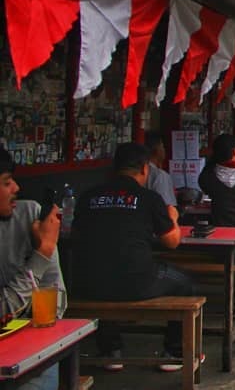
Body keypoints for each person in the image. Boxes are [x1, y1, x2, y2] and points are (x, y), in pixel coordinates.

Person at [71, 143, 194, 373]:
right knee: (185, 282)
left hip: (89, 282)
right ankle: (174, 352)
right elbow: (172, 242)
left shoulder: (89, 196)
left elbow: (76, 234)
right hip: (137, 281)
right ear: (145, 169)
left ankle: (110, 350)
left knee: (105, 272)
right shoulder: (149, 198)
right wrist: (173, 217)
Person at [0, 147, 65, 390]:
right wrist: (42, 253)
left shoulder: (30, 215)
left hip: (30, 343)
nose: (16, 188)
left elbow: (55, 300)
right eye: (6, 183)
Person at [143, 132, 181, 215]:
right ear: (157, 149)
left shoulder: (137, 171)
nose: (164, 150)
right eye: (163, 146)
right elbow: (168, 208)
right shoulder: (160, 175)